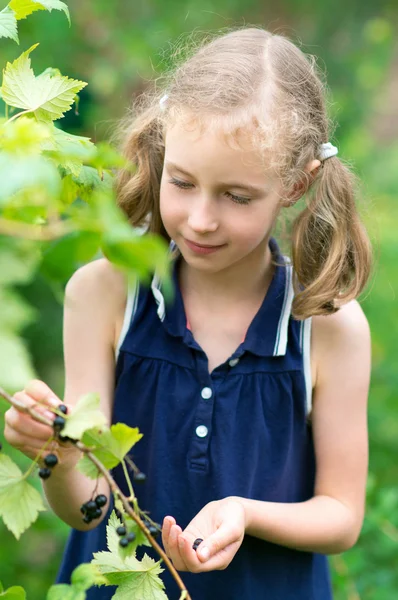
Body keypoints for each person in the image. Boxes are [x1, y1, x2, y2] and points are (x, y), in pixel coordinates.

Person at [4, 27, 372, 600]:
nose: (201, 218)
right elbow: (87, 510)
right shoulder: (104, 294)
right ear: (162, 150)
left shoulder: (326, 325)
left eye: (237, 196)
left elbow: (341, 516)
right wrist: (57, 454)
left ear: (297, 183)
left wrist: (244, 513)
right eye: (182, 182)